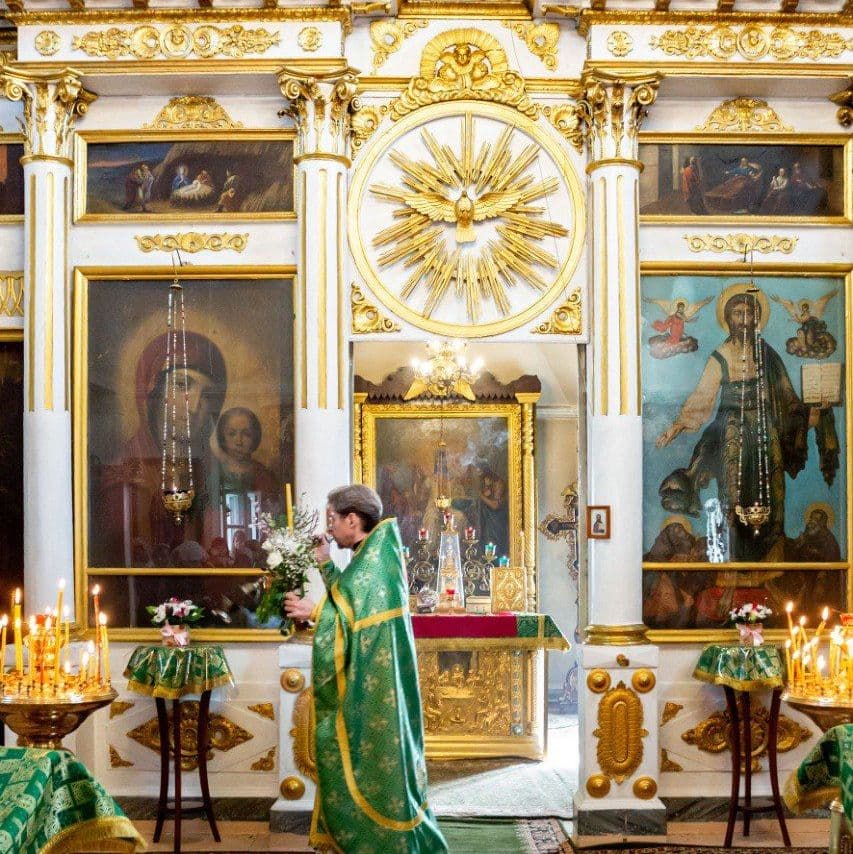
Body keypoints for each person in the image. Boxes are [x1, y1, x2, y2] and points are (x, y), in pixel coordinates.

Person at [284, 485, 448, 853]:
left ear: (352, 520)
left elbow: (348, 618)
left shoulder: (375, 560)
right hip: (375, 682)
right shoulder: (371, 554)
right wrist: (325, 563)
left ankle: (384, 843)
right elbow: (350, 602)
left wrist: (314, 610)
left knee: (374, 766)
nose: (330, 528)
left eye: (333, 520)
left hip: (374, 690)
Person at [656, 289, 839, 561]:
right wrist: (676, 427)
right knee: (733, 488)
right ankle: (733, 556)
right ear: (728, 319)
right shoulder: (721, 355)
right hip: (732, 430)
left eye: (749, 314)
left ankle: (772, 555)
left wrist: (811, 411)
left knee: (772, 486)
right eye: (737, 314)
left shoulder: (767, 354)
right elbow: (701, 398)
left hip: (766, 429)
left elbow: (787, 397)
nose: (743, 320)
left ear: (757, 318)